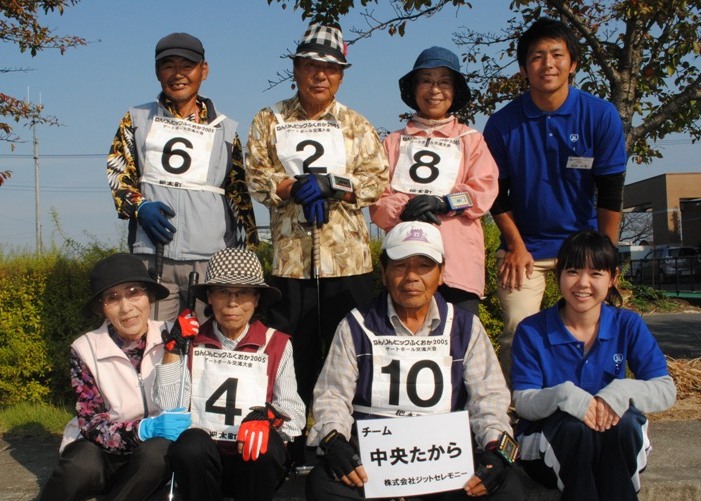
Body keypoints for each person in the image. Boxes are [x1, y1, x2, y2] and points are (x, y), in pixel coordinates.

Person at [305, 221, 524, 501]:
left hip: (445, 459)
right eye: (400, 265)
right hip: (376, 463)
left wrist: (494, 448)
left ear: (441, 273)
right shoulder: (356, 325)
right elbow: (332, 395)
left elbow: (489, 398)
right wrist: (335, 440)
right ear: (383, 273)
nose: (411, 277)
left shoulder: (464, 326)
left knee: (508, 490)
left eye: (424, 265)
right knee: (321, 486)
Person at [246, 23, 389, 422]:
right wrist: (292, 187)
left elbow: (378, 179)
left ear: (341, 75)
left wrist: (334, 186)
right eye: (310, 65)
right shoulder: (268, 118)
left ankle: (353, 433)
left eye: (330, 68)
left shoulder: (358, 125)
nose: (320, 75)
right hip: (291, 261)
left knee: (353, 350)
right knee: (294, 351)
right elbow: (256, 175)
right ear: (296, 70)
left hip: (348, 262)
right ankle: (291, 435)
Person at [482, 18, 627, 384]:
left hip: (582, 247)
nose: (548, 64)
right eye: (537, 56)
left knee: (593, 330)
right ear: (523, 68)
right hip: (524, 249)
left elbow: (610, 192)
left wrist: (605, 257)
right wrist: (515, 245)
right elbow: (495, 194)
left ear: (573, 63)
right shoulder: (502, 123)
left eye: (557, 55)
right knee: (518, 329)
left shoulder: (600, 115)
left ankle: (599, 408)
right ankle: (516, 418)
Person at [511, 230, 676, 501]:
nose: (583, 283)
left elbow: (665, 389)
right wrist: (564, 396)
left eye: (595, 273)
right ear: (558, 274)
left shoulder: (628, 324)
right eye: (572, 271)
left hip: (615, 444)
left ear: (612, 278)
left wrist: (620, 391)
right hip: (549, 447)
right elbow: (524, 402)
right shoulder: (532, 329)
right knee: (575, 430)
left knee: (624, 424)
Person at [106, 32, 258, 322]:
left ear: (204, 70)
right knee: (154, 345)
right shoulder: (136, 119)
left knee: (206, 346)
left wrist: (245, 252)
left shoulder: (225, 130)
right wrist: (139, 207)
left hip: (210, 261)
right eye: (168, 65)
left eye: (186, 65)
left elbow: (238, 193)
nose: (177, 74)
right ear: (156, 71)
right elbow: (118, 172)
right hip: (152, 255)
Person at [33, 253, 193, 501]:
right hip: (101, 451)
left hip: (148, 459)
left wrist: (176, 349)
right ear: (101, 308)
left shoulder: (173, 334)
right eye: (113, 298)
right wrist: (141, 429)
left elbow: (182, 400)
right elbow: (92, 421)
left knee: (159, 453)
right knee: (79, 465)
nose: (127, 307)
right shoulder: (84, 348)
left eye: (134, 293)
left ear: (149, 297)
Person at [153, 248, 306, 501]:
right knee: (190, 444)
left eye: (243, 293)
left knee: (267, 445)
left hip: (251, 467)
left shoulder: (277, 343)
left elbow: (294, 415)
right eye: (223, 291)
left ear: (257, 299)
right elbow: (168, 406)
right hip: (203, 465)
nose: (232, 303)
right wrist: (173, 350)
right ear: (209, 297)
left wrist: (268, 417)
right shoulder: (192, 341)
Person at [371, 46, 498, 315]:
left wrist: (444, 202)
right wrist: (405, 209)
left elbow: (483, 191)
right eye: (426, 81)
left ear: (455, 90)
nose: (434, 90)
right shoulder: (392, 142)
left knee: (459, 346)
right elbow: (376, 201)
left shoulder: (471, 140)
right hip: (406, 269)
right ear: (414, 88)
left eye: (443, 82)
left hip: (457, 268)